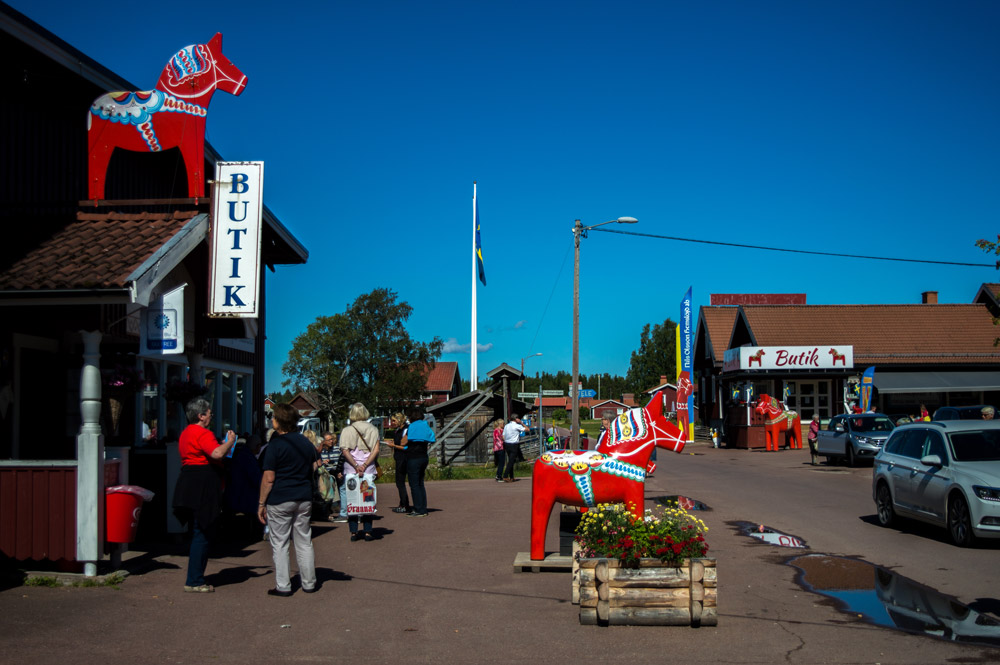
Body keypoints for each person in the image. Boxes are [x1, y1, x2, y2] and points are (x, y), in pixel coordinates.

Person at [171, 397, 236, 593]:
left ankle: (195, 576)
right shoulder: (202, 433)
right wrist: (230, 442)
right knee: (203, 532)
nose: (211, 416)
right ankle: (194, 579)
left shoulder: (185, 433)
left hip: (188, 482)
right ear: (200, 415)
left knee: (197, 531)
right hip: (203, 484)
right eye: (209, 413)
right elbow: (216, 454)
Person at [258, 403, 318, 596]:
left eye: (274, 417)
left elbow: (268, 478)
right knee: (304, 540)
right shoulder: (305, 443)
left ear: (279, 421)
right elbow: (314, 466)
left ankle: (283, 585)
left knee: (280, 543)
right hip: (303, 496)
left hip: (280, 497)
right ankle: (309, 582)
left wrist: (261, 503)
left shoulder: (275, 445)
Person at [340, 403, 381, 539]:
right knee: (367, 500)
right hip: (368, 469)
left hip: (351, 469)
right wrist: (364, 465)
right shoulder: (373, 429)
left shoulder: (347, 430)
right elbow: (376, 450)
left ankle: (353, 531)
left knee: (352, 500)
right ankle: (368, 531)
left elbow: (345, 450)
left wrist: (356, 465)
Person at [402, 408, 434, 516]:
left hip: (413, 458)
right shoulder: (425, 425)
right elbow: (431, 438)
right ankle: (423, 508)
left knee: (414, 485)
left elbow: (403, 442)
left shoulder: (412, 426)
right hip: (424, 457)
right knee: (421, 483)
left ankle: (418, 509)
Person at [383, 412, 411, 513]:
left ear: (400, 420)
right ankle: (403, 503)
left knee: (400, 482)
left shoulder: (406, 429)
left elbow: (405, 446)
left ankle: (405, 505)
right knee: (399, 482)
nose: (392, 423)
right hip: (399, 458)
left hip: (404, 458)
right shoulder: (398, 430)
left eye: (394, 420)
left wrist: (393, 445)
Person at [501, 414, 528, 483]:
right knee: (511, 461)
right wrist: (522, 423)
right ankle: (505, 475)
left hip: (507, 444)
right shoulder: (517, 426)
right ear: (516, 419)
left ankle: (512, 476)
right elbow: (527, 429)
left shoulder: (506, 426)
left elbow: (503, 436)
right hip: (514, 444)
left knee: (511, 460)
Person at [491, 419, 505, 483]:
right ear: (500, 424)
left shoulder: (495, 430)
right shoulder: (500, 431)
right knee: (501, 463)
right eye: (503, 424)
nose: (503, 425)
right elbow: (502, 438)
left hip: (496, 448)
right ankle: (499, 476)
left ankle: (498, 475)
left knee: (499, 462)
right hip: (500, 448)